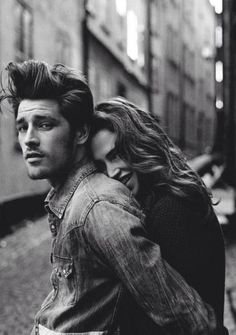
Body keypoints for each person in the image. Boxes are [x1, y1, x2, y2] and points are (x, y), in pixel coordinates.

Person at [0, 60, 220, 335]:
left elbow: (182, 313)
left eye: (44, 124)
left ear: (80, 133)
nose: (29, 139)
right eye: (21, 127)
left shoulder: (100, 207)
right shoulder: (75, 201)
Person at [90, 96, 228, 334]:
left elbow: (174, 317)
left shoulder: (171, 207)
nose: (112, 173)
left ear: (138, 144)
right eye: (101, 167)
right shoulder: (159, 194)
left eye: (115, 155)